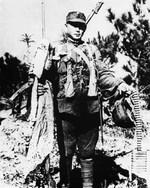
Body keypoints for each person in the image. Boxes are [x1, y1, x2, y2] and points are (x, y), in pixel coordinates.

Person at [30, 11, 133, 188]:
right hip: (65, 113)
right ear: (66, 26)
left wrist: (119, 84)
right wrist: (39, 85)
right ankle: (66, 184)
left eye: (81, 26)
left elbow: (104, 75)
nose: (78, 30)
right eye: (74, 25)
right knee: (66, 154)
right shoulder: (56, 51)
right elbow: (44, 77)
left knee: (87, 154)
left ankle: (88, 185)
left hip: (90, 111)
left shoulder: (92, 51)